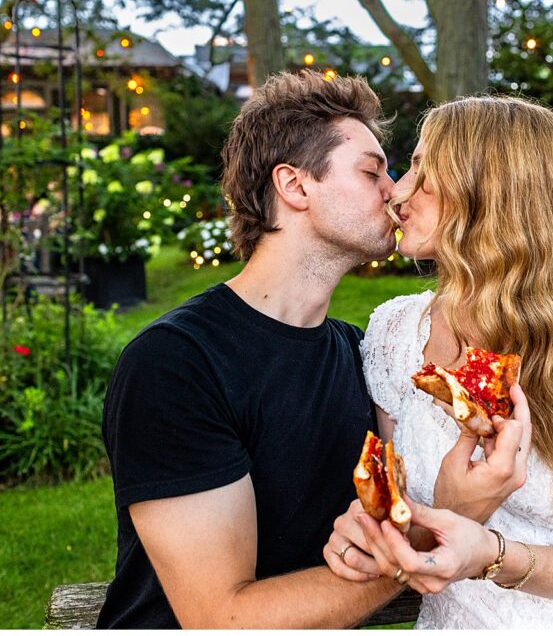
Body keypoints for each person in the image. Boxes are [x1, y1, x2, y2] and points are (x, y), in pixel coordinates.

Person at [324, 95, 553, 628]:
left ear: (494, 195)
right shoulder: (396, 331)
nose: (398, 192)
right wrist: (367, 540)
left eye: (426, 173)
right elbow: (406, 517)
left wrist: (490, 554)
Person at [97, 70, 408, 628]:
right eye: (372, 171)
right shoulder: (176, 364)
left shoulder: (365, 355)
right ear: (294, 186)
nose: (396, 188)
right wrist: (418, 560)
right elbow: (222, 619)